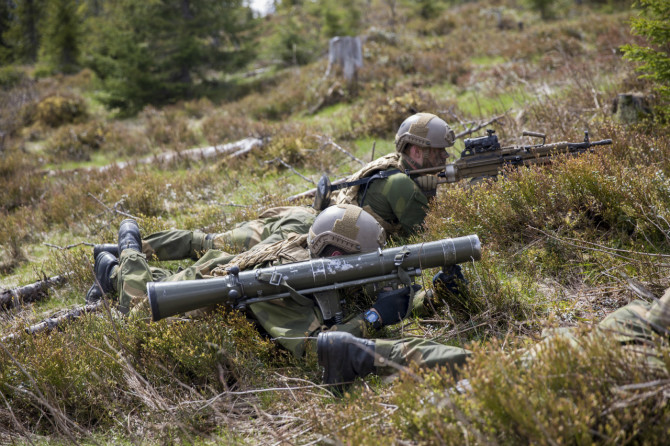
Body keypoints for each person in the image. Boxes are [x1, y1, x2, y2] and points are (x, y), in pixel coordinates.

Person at [89, 205, 470, 384]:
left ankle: (116, 268)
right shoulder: (284, 286)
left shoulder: (332, 270)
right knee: (134, 307)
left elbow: (374, 299)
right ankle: (123, 252)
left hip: (221, 261)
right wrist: (373, 319)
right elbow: (312, 349)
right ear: (337, 257)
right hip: (186, 297)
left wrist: (430, 298)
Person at [97, 113, 456, 263]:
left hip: (307, 220)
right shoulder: (403, 188)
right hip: (306, 232)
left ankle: (120, 251)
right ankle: (124, 261)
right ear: (418, 151)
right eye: (438, 151)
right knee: (222, 258)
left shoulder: (392, 172)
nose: (442, 158)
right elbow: (425, 238)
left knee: (210, 242)